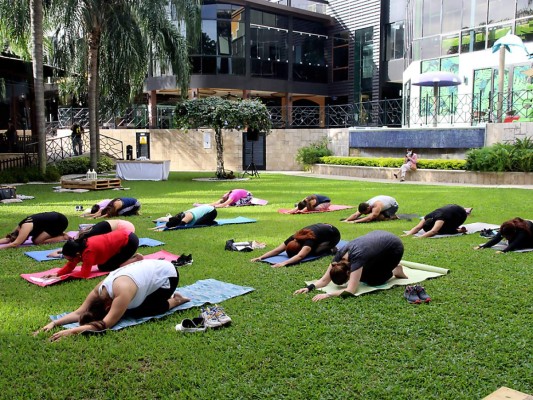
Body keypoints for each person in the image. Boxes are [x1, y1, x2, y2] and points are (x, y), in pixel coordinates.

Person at [34, 259, 191, 341]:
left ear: (107, 306)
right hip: (152, 270)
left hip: (168, 275)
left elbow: (105, 324)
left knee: (138, 312)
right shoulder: (99, 291)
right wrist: (54, 323)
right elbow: (80, 311)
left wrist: (72, 331)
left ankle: (176, 300)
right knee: (129, 309)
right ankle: (154, 291)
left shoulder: (121, 293)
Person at [294, 231, 408, 301]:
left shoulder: (357, 258)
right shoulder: (337, 259)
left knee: (372, 280)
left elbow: (350, 290)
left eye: (347, 279)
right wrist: (309, 288)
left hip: (393, 247)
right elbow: (324, 280)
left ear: (349, 273)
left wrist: (328, 295)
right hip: (378, 237)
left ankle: (396, 270)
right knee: (363, 275)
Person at [44, 229, 141, 279]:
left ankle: (135, 259)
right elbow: (70, 266)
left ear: (77, 254)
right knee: (103, 265)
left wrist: (62, 277)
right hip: (122, 237)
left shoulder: (88, 252)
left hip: (129, 241)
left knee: (105, 267)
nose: (70, 261)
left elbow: (84, 274)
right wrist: (56, 274)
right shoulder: (78, 248)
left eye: (70, 259)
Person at [251, 223, 341, 268]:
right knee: (311, 250)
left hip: (334, 235)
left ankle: (332, 249)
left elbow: (300, 256)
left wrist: (283, 263)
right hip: (323, 228)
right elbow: (277, 250)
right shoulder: (294, 237)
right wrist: (260, 257)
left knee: (316, 251)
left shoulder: (309, 241)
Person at [47, 220, 136, 258]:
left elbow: (81, 252)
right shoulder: (91, 233)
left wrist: (61, 254)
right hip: (125, 225)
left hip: (127, 230)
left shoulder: (90, 237)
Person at [0, 212, 70, 249]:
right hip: (50, 222)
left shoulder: (25, 227)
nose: (26, 239)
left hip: (60, 221)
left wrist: (2, 247)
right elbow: (8, 239)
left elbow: (15, 244)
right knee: (34, 238)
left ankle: (63, 237)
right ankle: (59, 233)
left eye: (24, 239)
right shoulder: (17, 229)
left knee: (37, 241)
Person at [403, 204, 471, 238]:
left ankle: (461, 229)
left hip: (461, 215)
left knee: (443, 231)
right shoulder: (427, 217)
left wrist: (420, 237)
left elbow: (433, 231)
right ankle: (466, 209)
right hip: (452, 206)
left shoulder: (440, 220)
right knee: (444, 223)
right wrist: (408, 234)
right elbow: (418, 227)